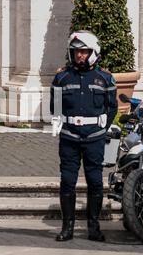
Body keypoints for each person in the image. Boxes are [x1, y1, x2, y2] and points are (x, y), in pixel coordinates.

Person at [50, 31, 118, 243]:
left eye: (83, 51)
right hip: (69, 137)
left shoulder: (105, 78)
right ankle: (67, 227)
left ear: (93, 52)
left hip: (94, 138)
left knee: (95, 182)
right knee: (67, 182)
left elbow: (112, 107)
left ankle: (93, 227)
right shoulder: (61, 78)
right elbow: (55, 107)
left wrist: (103, 126)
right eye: (76, 51)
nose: (79, 55)